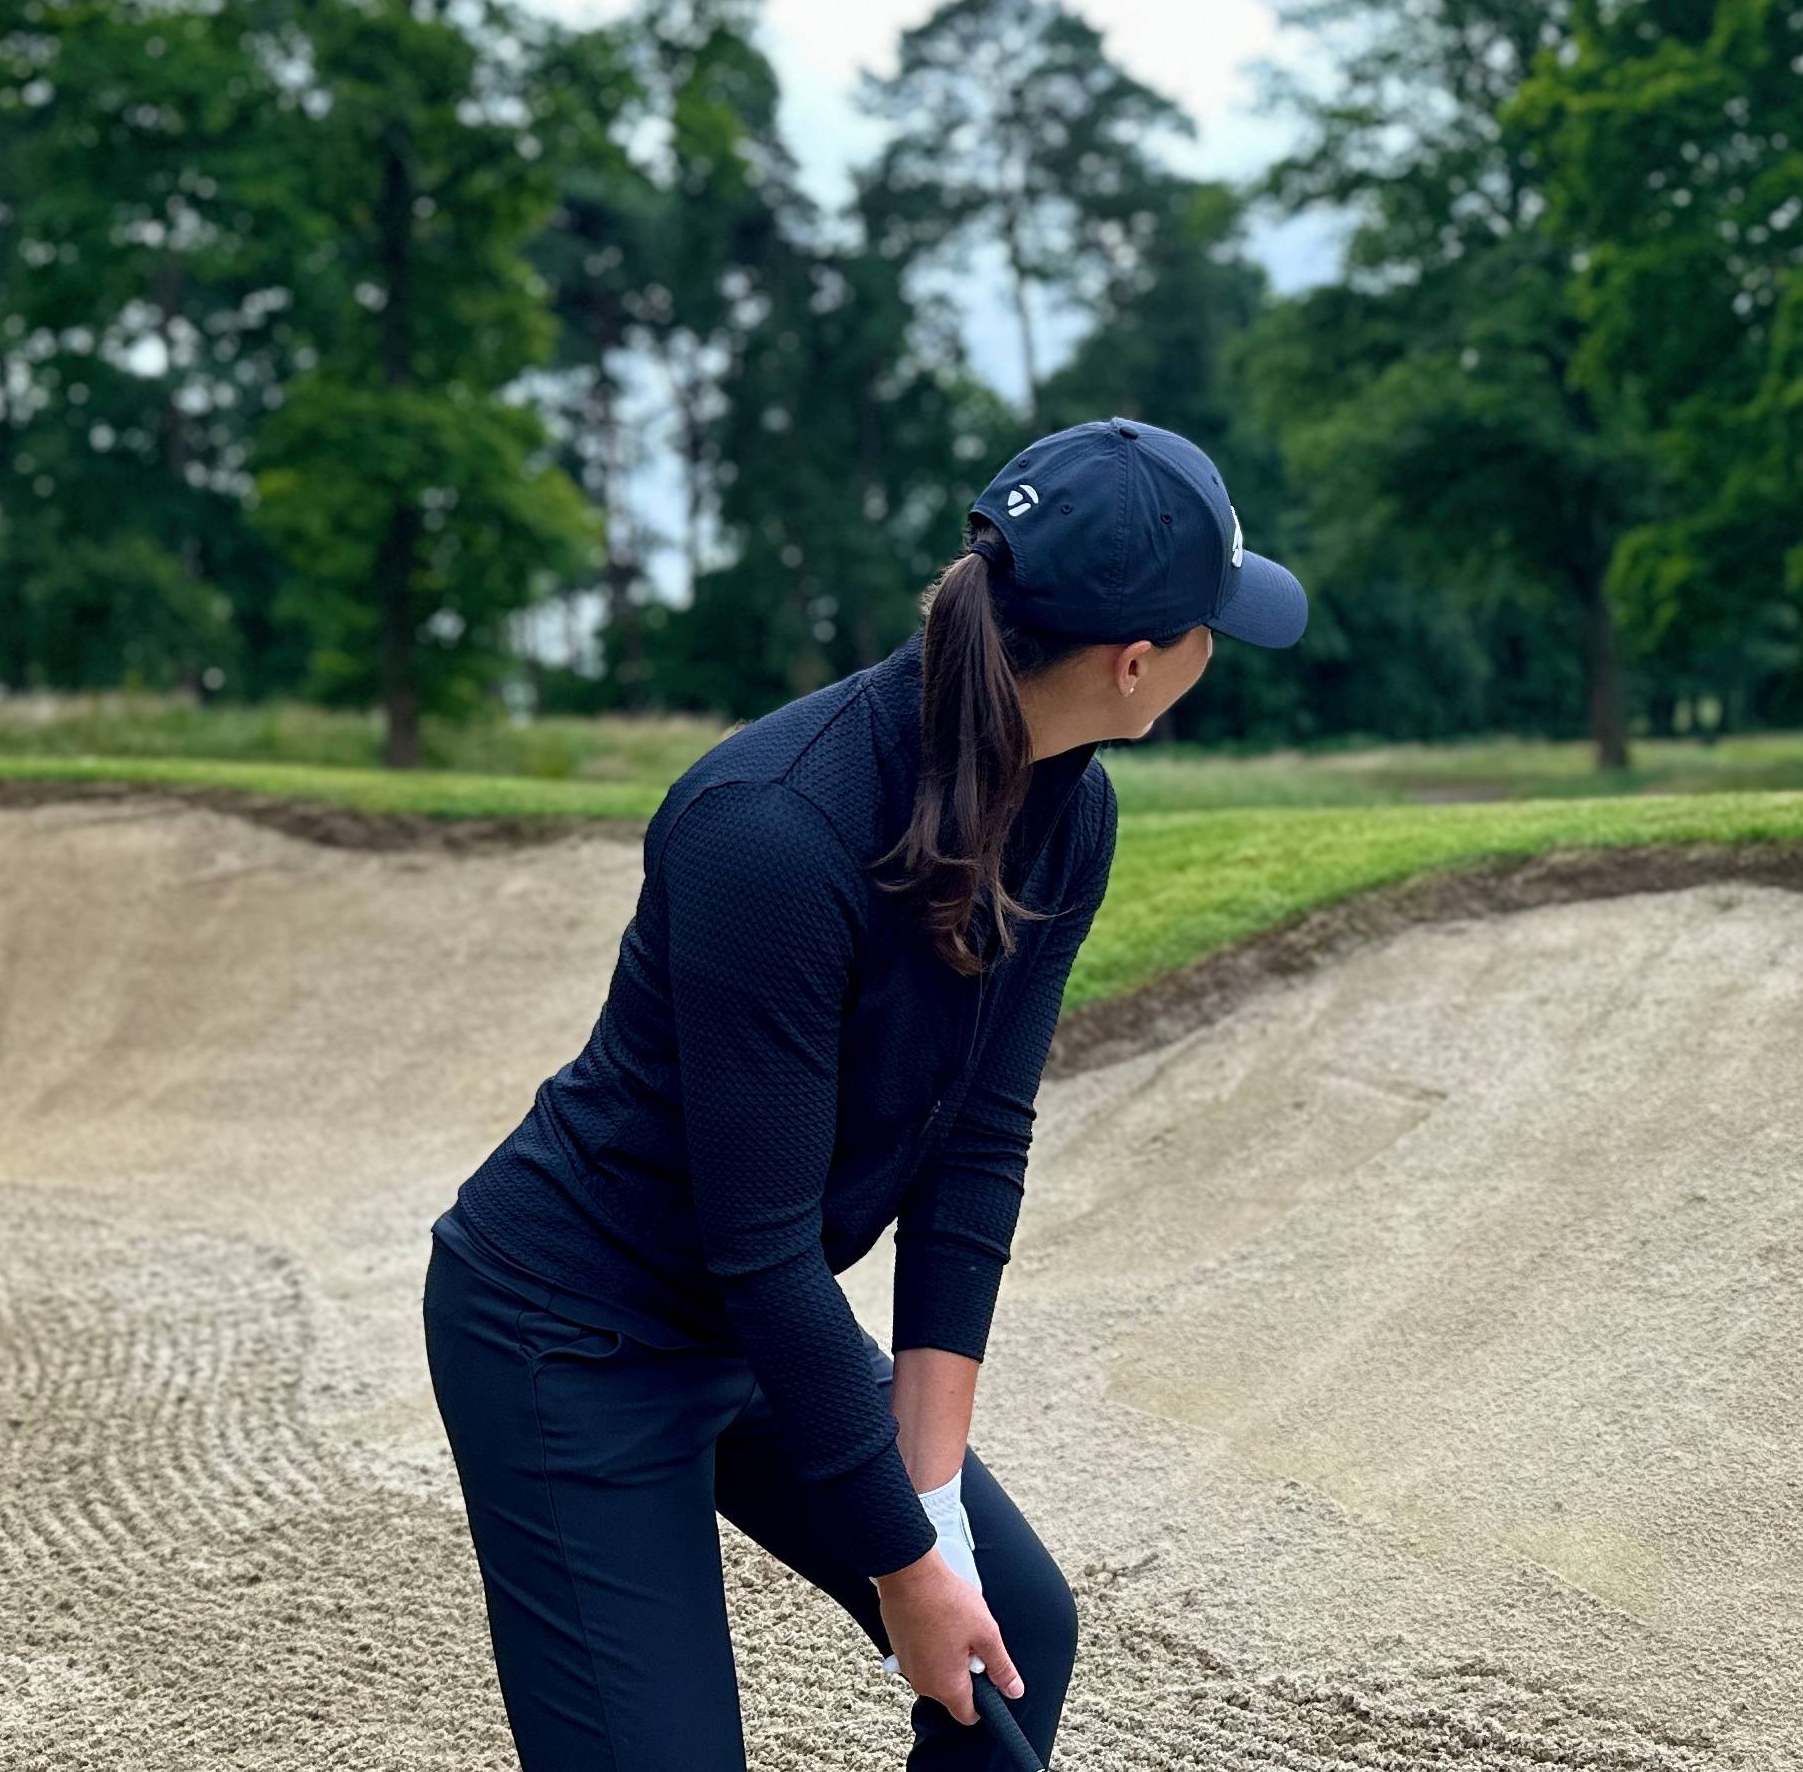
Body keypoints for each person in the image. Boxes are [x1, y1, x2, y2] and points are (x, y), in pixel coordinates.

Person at [419, 418, 1306, 1770]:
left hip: (757, 1325)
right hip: (573, 1332)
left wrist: (932, 1494)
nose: (1210, 656)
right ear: (1138, 662)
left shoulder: (1072, 809)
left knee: (1016, 1626)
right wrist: (901, 1561)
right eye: (1209, 629)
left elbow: (974, 1146)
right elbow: (762, 1247)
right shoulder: (771, 831)